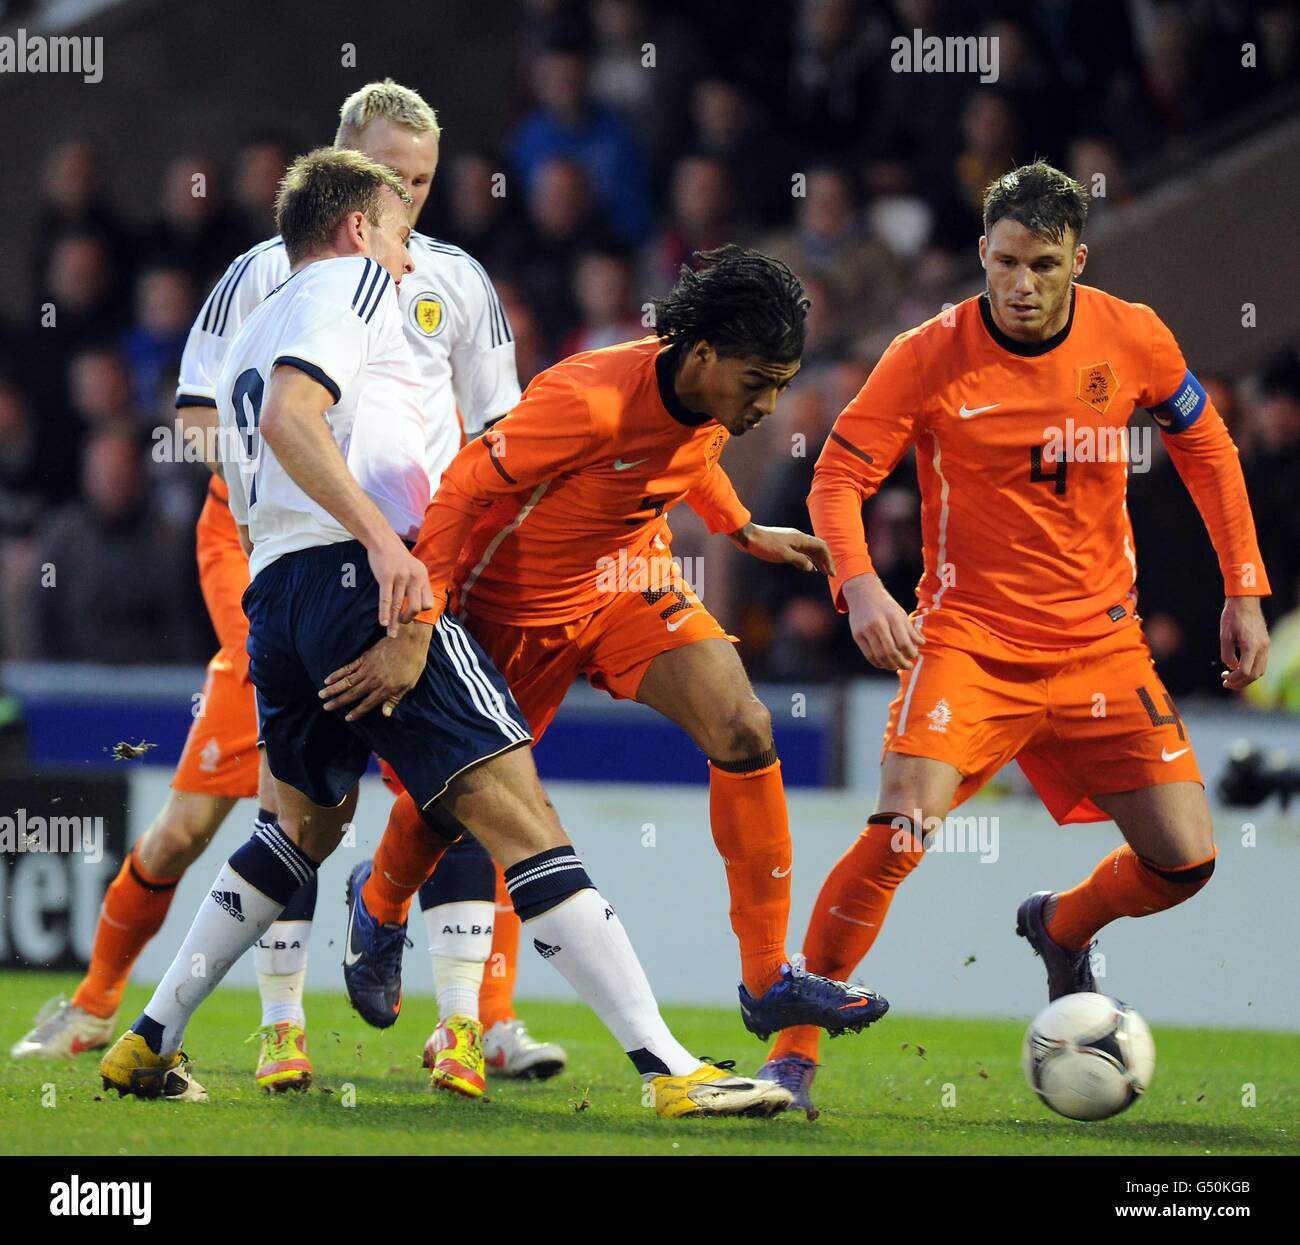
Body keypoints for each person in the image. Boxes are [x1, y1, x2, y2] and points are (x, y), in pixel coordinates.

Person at [96, 147, 792, 1121]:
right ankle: (667, 1067)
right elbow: (302, 420)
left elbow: (255, 444)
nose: (407, 253)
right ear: (351, 232)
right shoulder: (345, 290)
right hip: (358, 577)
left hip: (279, 595)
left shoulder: (250, 324)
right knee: (520, 817)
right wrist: (390, 552)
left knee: (299, 828)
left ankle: (147, 1038)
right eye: (394, 229)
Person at [13, 80, 565, 1096]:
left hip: (412, 566)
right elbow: (192, 421)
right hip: (275, 563)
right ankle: (173, 1013)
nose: (408, 194)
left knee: (454, 790)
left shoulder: (454, 278)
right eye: (392, 176)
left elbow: (499, 428)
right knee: (236, 812)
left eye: (424, 180)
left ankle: (471, 1024)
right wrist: (292, 504)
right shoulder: (262, 273)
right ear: (346, 166)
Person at [757, 160, 1271, 1115]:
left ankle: (1062, 925)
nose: (1020, 285)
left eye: (1041, 264)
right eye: (1001, 262)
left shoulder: (1135, 335)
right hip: (970, 644)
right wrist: (861, 584)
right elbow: (835, 477)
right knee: (899, 829)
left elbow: (1207, 448)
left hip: (1101, 649)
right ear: (980, 255)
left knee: (1186, 861)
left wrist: (1245, 589)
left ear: (1078, 259)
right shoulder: (926, 352)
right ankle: (791, 1056)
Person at [320, 245, 891, 1064]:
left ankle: (768, 976)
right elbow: (464, 489)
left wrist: (742, 528)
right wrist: (416, 626)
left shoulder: (705, 402)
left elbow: (691, 456)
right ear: (701, 354)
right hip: (510, 609)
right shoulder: (587, 401)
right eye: (758, 381)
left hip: (625, 583)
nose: (769, 403)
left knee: (743, 726)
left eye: (780, 382)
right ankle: (377, 900)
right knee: (452, 806)